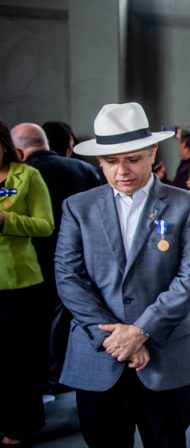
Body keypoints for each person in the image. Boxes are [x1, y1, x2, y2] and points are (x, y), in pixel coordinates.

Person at [55, 102, 190, 448]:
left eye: (132, 159)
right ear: (99, 162)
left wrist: (141, 331)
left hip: (165, 357)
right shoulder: (78, 208)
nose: (122, 170)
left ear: (152, 156)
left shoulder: (186, 206)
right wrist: (114, 338)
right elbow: (69, 278)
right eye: (110, 161)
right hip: (99, 359)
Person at [10, 122, 100, 392]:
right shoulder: (83, 169)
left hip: (31, 263)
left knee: (35, 328)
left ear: (18, 149)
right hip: (84, 259)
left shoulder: (22, 175)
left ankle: (45, 381)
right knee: (79, 316)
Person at [0, 119, 54, 448]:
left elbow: (45, 225)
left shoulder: (28, 176)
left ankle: (21, 423)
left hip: (19, 280)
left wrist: (7, 221)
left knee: (16, 358)